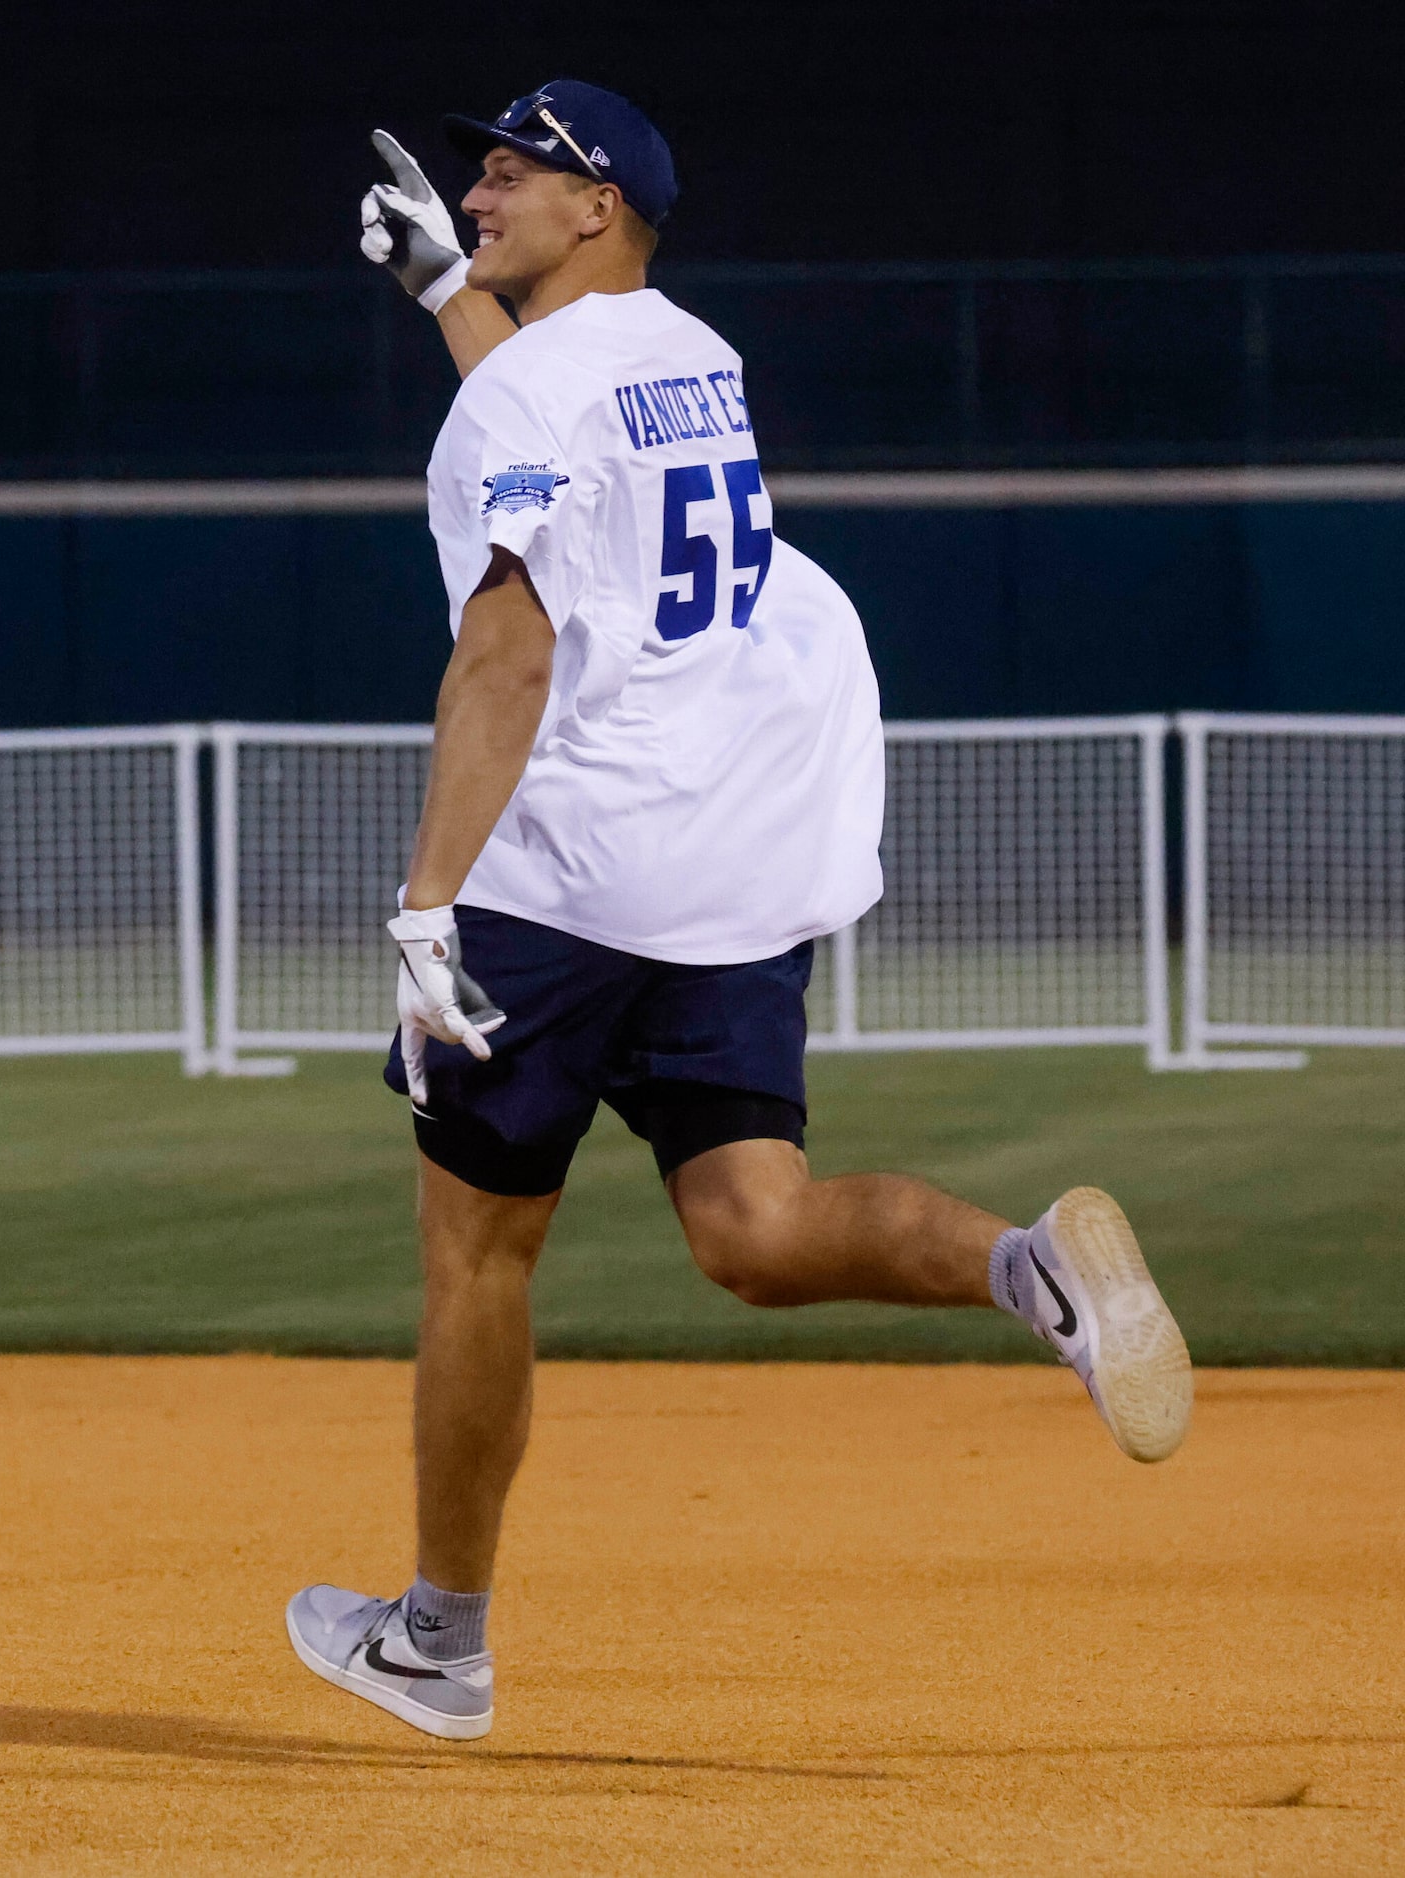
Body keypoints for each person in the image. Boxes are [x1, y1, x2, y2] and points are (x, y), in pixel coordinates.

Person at [288, 81, 1195, 1744]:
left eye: (519, 172)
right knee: (753, 1228)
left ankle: (439, 1638)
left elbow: (510, 647)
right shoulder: (697, 354)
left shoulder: (525, 394)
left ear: (603, 209)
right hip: (729, 855)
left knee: (478, 1254)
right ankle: (1029, 1266)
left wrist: (427, 903)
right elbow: (557, 412)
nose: (479, 188)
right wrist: (450, 296)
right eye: (480, 168)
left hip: (566, 873)